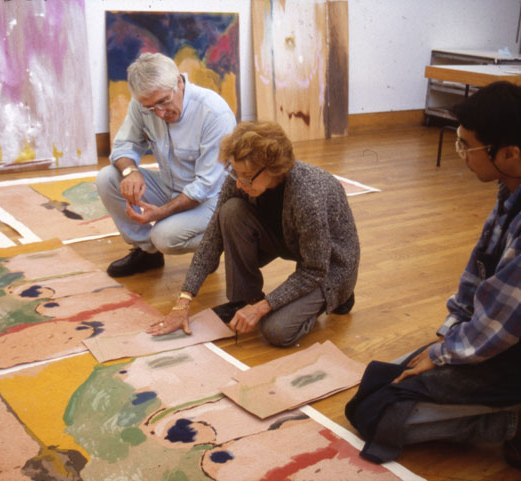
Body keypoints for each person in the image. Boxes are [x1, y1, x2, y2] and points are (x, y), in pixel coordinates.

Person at [344, 81, 521, 467]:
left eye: (466, 146)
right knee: (378, 388)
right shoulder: (510, 191)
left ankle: (508, 419)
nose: (460, 154)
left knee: (376, 417)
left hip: (511, 351)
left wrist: (443, 356)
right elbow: (477, 277)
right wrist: (445, 340)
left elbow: (501, 325)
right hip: (498, 341)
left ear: (509, 153)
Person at [147, 121, 360, 347]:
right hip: (290, 241)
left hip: (329, 265)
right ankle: (245, 299)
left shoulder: (307, 195)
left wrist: (264, 307)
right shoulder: (240, 178)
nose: (239, 184)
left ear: (273, 167)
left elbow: (315, 269)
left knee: (276, 331)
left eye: (247, 176)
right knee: (230, 212)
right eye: (235, 173)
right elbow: (212, 238)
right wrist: (184, 299)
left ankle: (338, 296)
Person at [96, 52, 236, 277]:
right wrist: (130, 171)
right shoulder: (143, 102)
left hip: (213, 199)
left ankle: (211, 247)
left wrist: (159, 213)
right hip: (172, 185)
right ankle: (147, 253)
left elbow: (204, 187)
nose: (159, 113)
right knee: (107, 178)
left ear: (179, 83)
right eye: (151, 107)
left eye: (163, 102)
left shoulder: (214, 113)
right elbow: (124, 145)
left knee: (164, 236)